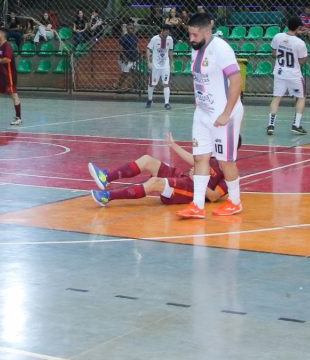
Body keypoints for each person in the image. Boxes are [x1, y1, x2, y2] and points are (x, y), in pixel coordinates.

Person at [176, 12, 245, 219]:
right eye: (190, 34)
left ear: (207, 32)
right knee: (200, 157)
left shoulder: (221, 49)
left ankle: (235, 202)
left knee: (225, 162)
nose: (191, 39)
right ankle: (197, 205)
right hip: (203, 112)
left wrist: (226, 113)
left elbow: (236, 81)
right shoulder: (195, 49)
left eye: (195, 35)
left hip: (223, 114)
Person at [87, 133, 227, 207]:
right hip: (183, 177)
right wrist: (173, 145)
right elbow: (194, 160)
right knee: (147, 160)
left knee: (155, 182)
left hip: (189, 191)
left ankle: (107, 196)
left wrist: (196, 179)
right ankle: (106, 178)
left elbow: (214, 197)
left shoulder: (229, 174)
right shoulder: (214, 158)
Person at [268, 16, 309, 136]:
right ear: (298, 28)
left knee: (276, 98)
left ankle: (271, 125)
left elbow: (274, 52)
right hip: (293, 74)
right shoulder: (300, 43)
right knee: (301, 97)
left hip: (279, 72)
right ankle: (296, 125)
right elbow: (302, 60)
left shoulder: (278, 36)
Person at [146, 23, 174, 109]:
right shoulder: (155, 39)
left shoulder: (170, 39)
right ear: (161, 30)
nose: (167, 33)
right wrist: (149, 62)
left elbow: (170, 51)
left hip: (165, 65)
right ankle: (150, 99)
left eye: (168, 31)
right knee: (152, 84)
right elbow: (148, 49)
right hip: (155, 65)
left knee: (166, 83)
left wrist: (172, 63)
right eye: (165, 31)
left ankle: (166, 103)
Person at [115, 22, 139, 92]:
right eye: (129, 28)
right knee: (125, 73)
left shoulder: (135, 37)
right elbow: (120, 49)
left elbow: (136, 47)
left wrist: (138, 54)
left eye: (132, 28)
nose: (131, 29)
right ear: (127, 28)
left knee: (133, 72)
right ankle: (118, 85)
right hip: (125, 58)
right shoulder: (124, 38)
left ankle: (128, 87)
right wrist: (124, 57)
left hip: (133, 57)